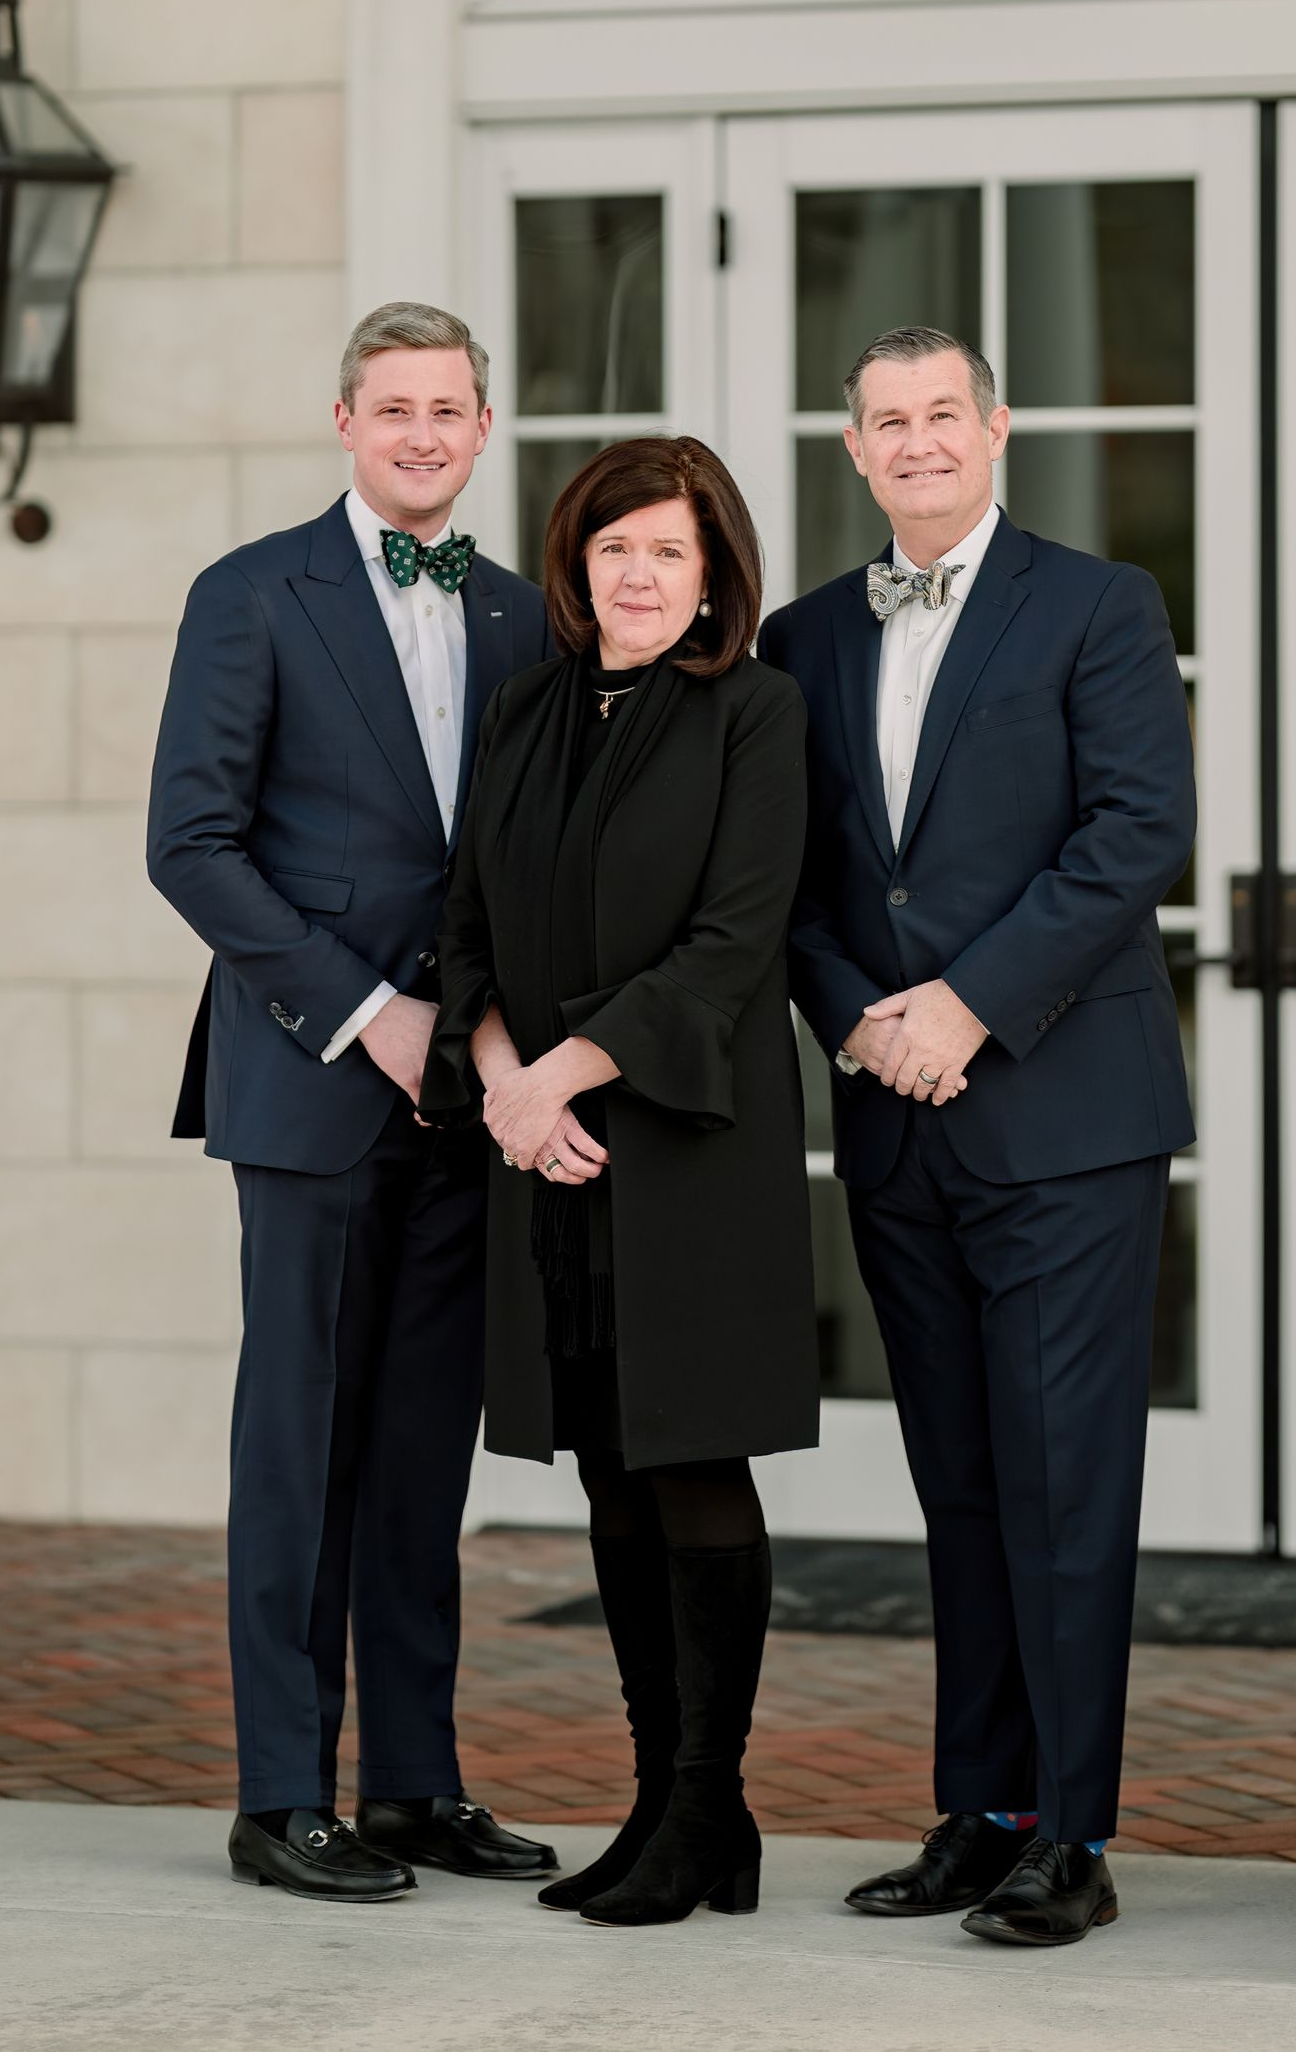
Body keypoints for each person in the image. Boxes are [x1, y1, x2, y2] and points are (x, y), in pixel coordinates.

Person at [758, 326, 1195, 1947]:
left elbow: (1135, 829)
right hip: (894, 1119)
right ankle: (983, 1809)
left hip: (1064, 1115)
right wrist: (864, 1019)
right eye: (891, 420)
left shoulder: (1099, 606)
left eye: (948, 413)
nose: (921, 441)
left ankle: (1072, 1837)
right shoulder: (804, 640)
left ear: (996, 432)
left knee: (1065, 1484)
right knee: (959, 1486)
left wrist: (968, 1007)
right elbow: (791, 881)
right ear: (854, 450)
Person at [146, 302, 556, 1902]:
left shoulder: (522, 617)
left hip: (467, 1102)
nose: (422, 435)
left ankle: (413, 1785)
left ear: (482, 425)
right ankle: (275, 1793)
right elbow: (192, 843)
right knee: (299, 1441)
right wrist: (368, 1012)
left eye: (448, 409)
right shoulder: (250, 595)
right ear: (343, 422)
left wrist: (489, 1040)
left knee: (419, 1457)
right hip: (310, 1084)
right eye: (393, 409)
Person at [419, 434, 818, 1929]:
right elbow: (466, 927)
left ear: (713, 571)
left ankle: (712, 1803)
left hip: (682, 1145)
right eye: (613, 548)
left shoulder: (757, 716)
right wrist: (507, 1076)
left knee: (691, 1459)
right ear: (575, 566)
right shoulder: (524, 714)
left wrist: (552, 1081)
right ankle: (662, 1800)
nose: (638, 574)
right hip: (552, 1150)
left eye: (667, 549)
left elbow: (732, 945)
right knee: (605, 1463)